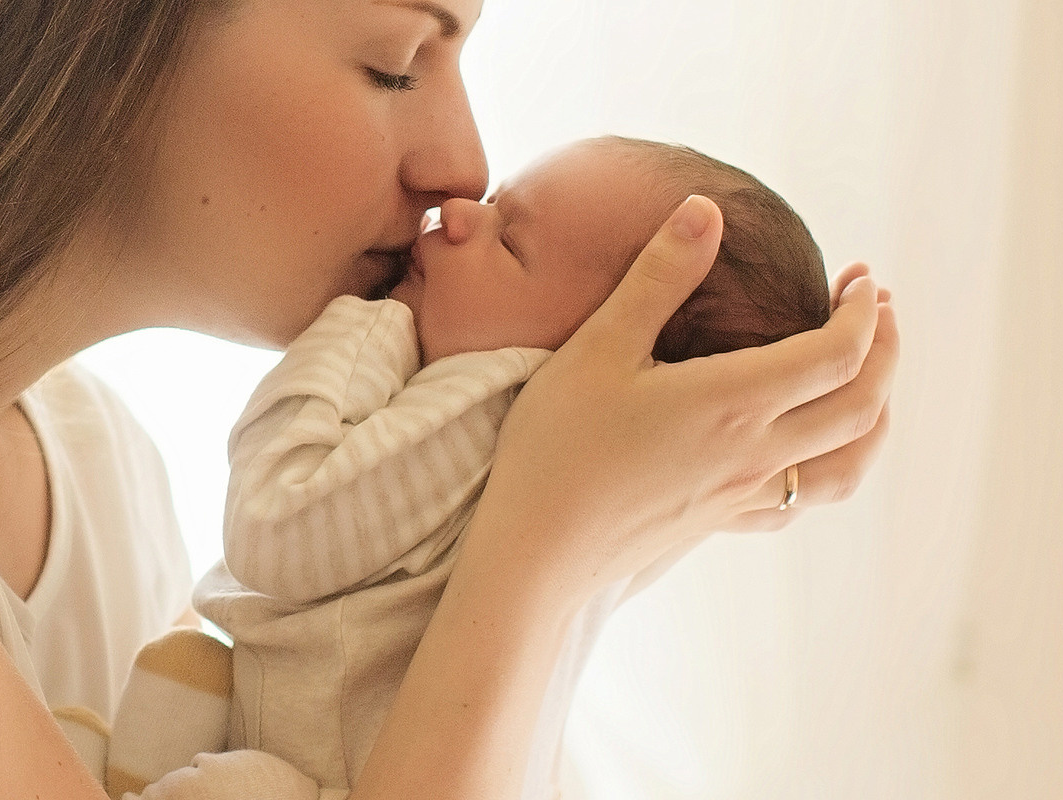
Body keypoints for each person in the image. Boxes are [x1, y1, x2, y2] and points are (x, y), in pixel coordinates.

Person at [0, 2, 898, 799]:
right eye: (397, 63)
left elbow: (314, 699)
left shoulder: (106, 472)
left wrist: (665, 497)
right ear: (110, 35)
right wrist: (543, 539)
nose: (466, 169)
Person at [134, 135, 831, 797]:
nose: (459, 213)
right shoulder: (610, 478)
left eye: (511, 240)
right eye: (495, 201)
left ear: (605, 351)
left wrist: (362, 323)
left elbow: (275, 524)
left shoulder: (490, 402)